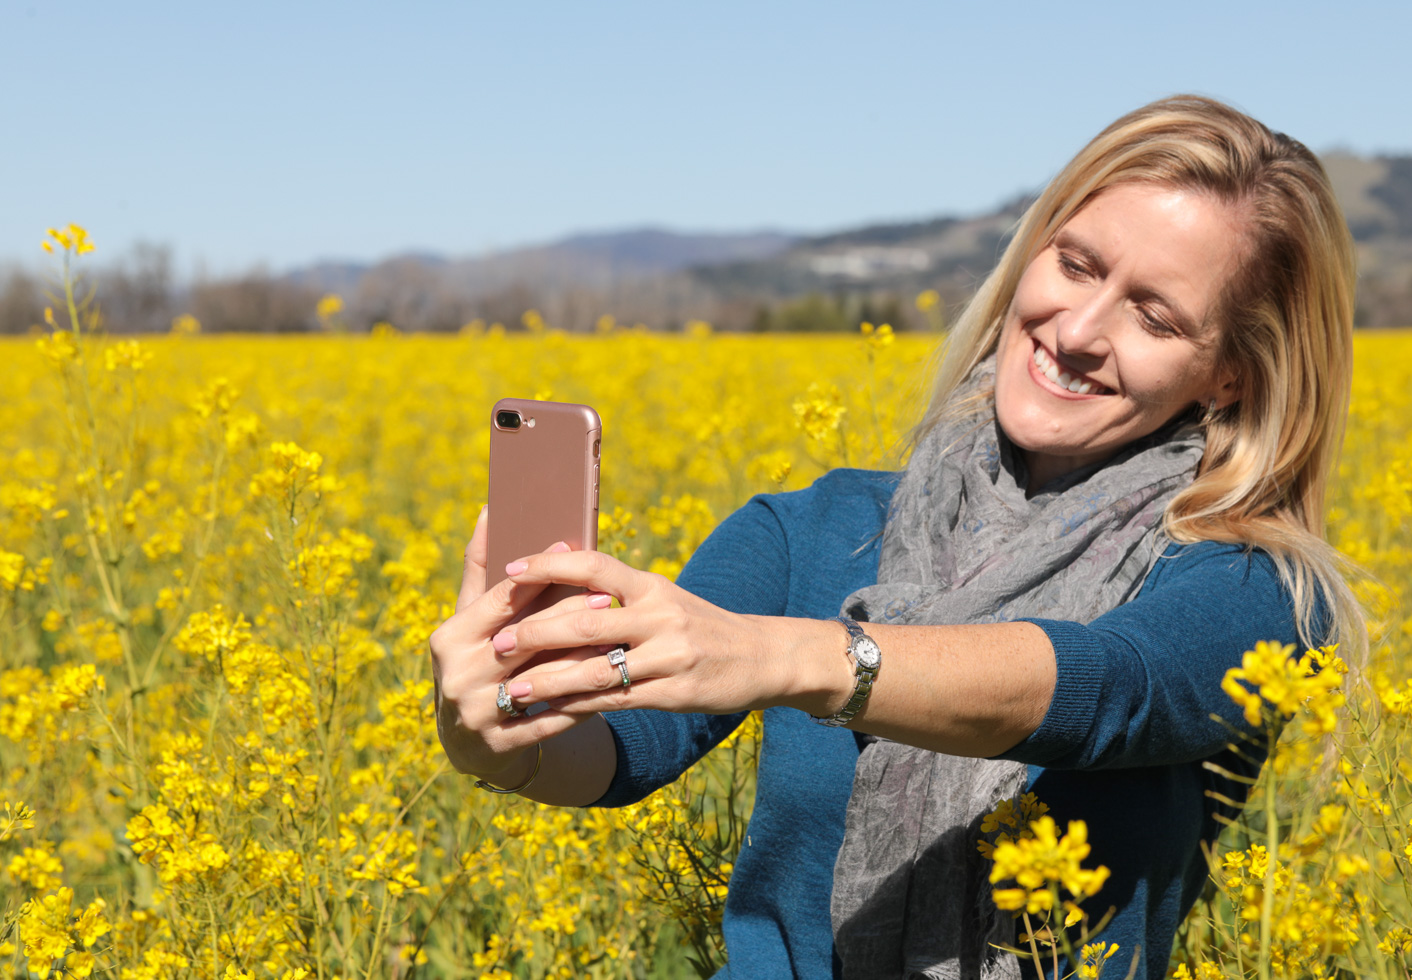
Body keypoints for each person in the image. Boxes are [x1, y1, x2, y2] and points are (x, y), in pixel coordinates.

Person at [430, 94, 1364, 980]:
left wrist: (783, 655)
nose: (1077, 329)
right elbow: (621, 752)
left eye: (1153, 315)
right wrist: (505, 740)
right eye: (1075, 265)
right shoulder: (813, 531)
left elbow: (1113, 684)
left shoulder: (1254, 587)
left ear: (1231, 376)